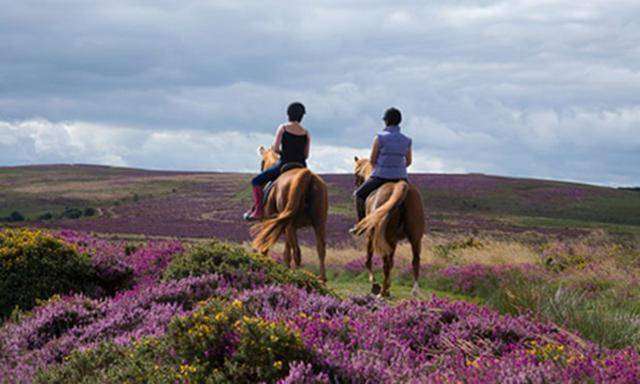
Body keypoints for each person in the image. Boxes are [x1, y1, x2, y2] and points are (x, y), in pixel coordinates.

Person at [243, 102, 311, 221]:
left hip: (284, 163)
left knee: (256, 181)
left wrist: (283, 153)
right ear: (301, 116)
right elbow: (306, 155)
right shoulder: (306, 133)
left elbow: (275, 149)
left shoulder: (283, 128)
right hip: (301, 166)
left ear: (288, 114)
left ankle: (258, 211)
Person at [352, 107, 412, 227]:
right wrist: (397, 168)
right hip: (401, 178)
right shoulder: (407, 140)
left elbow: (372, 160)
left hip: (381, 176)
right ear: (399, 121)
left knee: (359, 195)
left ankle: (362, 225)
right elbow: (409, 161)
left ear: (386, 121)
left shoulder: (379, 138)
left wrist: (383, 168)